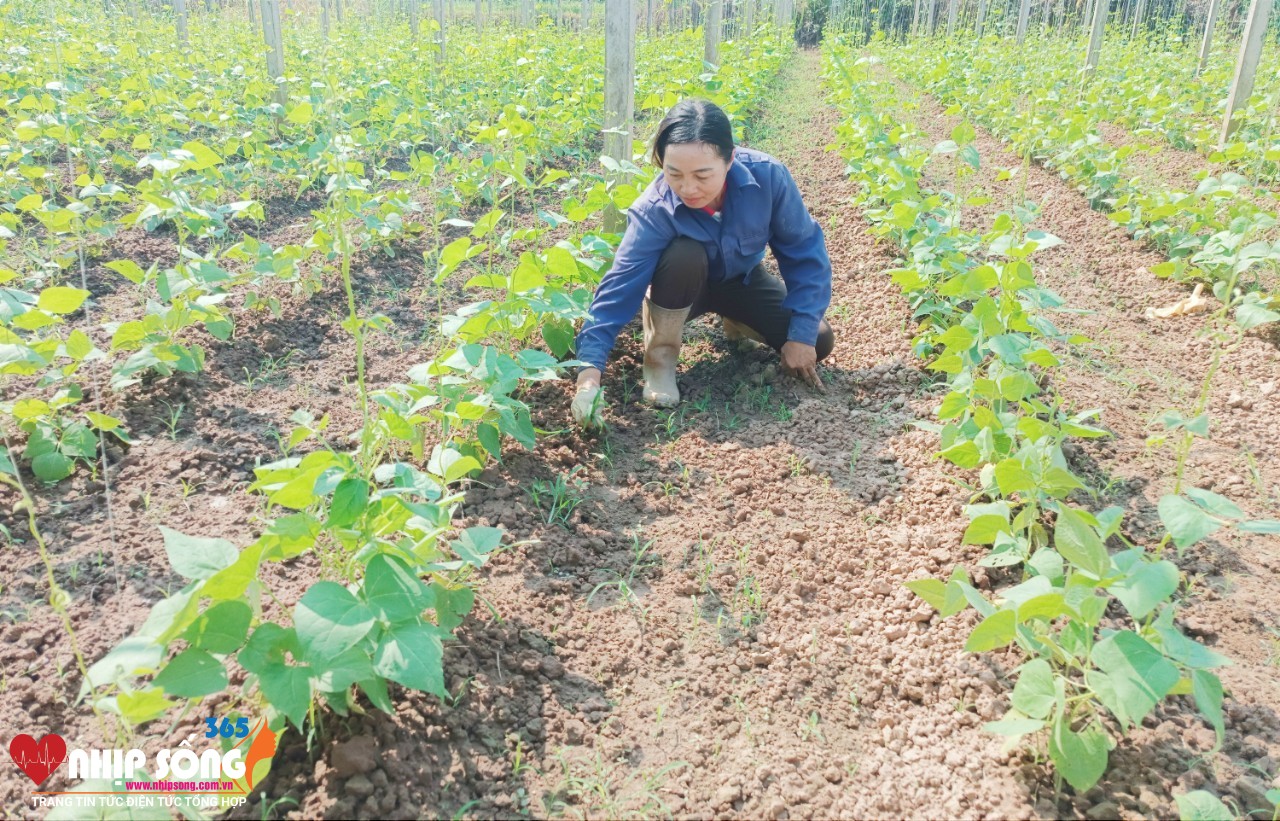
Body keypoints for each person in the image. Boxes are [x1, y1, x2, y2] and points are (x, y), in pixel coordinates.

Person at [571, 98, 836, 427]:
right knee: (685, 254)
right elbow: (616, 290)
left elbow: (805, 253)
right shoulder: (654, 209)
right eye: (674, 174)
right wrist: (588, 379)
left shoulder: (768, 179)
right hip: (680, 292)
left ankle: (737, 320)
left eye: (702, 175)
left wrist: (802, 335)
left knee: (818, 340)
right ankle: (661, 360)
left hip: (743, 282)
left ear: (730, 160)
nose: (688, 188)